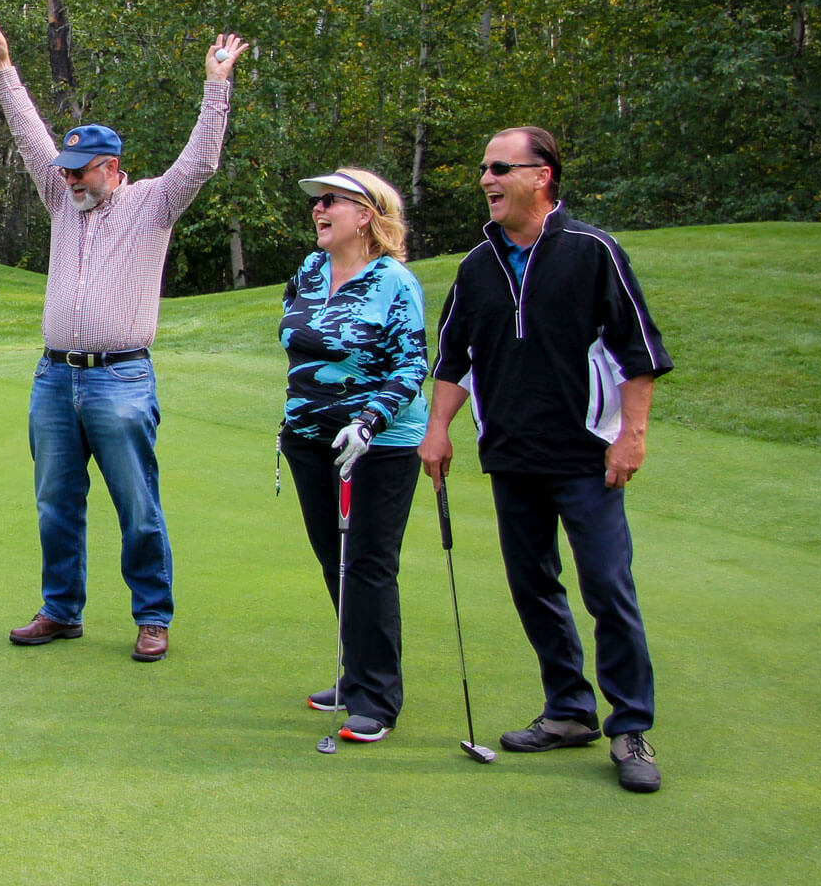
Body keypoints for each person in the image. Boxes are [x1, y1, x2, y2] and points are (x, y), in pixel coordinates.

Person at [0, 8, 247, 663]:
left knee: (137, 504)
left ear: (111, 167)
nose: (66, 177)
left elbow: (201, 162)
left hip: (121, 376)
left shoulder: (154, 203)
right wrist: (3, 66)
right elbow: (27, 132)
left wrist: (216, 86)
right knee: (55, 503)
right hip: (54, 375)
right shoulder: (60, 196)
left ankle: (152, 616)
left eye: (80, 170)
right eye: (65, 169)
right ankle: (62, 612)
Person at [418, 126, 671, 793]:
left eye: (500, 168)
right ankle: (568, 710)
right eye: (483, 169)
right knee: (534, 587)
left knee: (607, 588)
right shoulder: (479, 266)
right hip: (511, 455)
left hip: (587, 457)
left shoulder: (593, 251)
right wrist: (437, 428)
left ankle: (631, 727)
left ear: (543, 175)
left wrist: (633, 435)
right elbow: (453, 357)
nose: (486, 180)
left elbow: (639, 352)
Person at [278, 169, 428, 742]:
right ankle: (354, 673)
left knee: (367, 565)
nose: (319, 209)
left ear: (366, 215)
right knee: (332, 560)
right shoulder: (311, 270)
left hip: (380, 446)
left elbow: (411, 366)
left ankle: (377, 697)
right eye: (316, 201)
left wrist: (368, 421)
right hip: (309, 439)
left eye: (331, 201)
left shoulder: (394, 281)